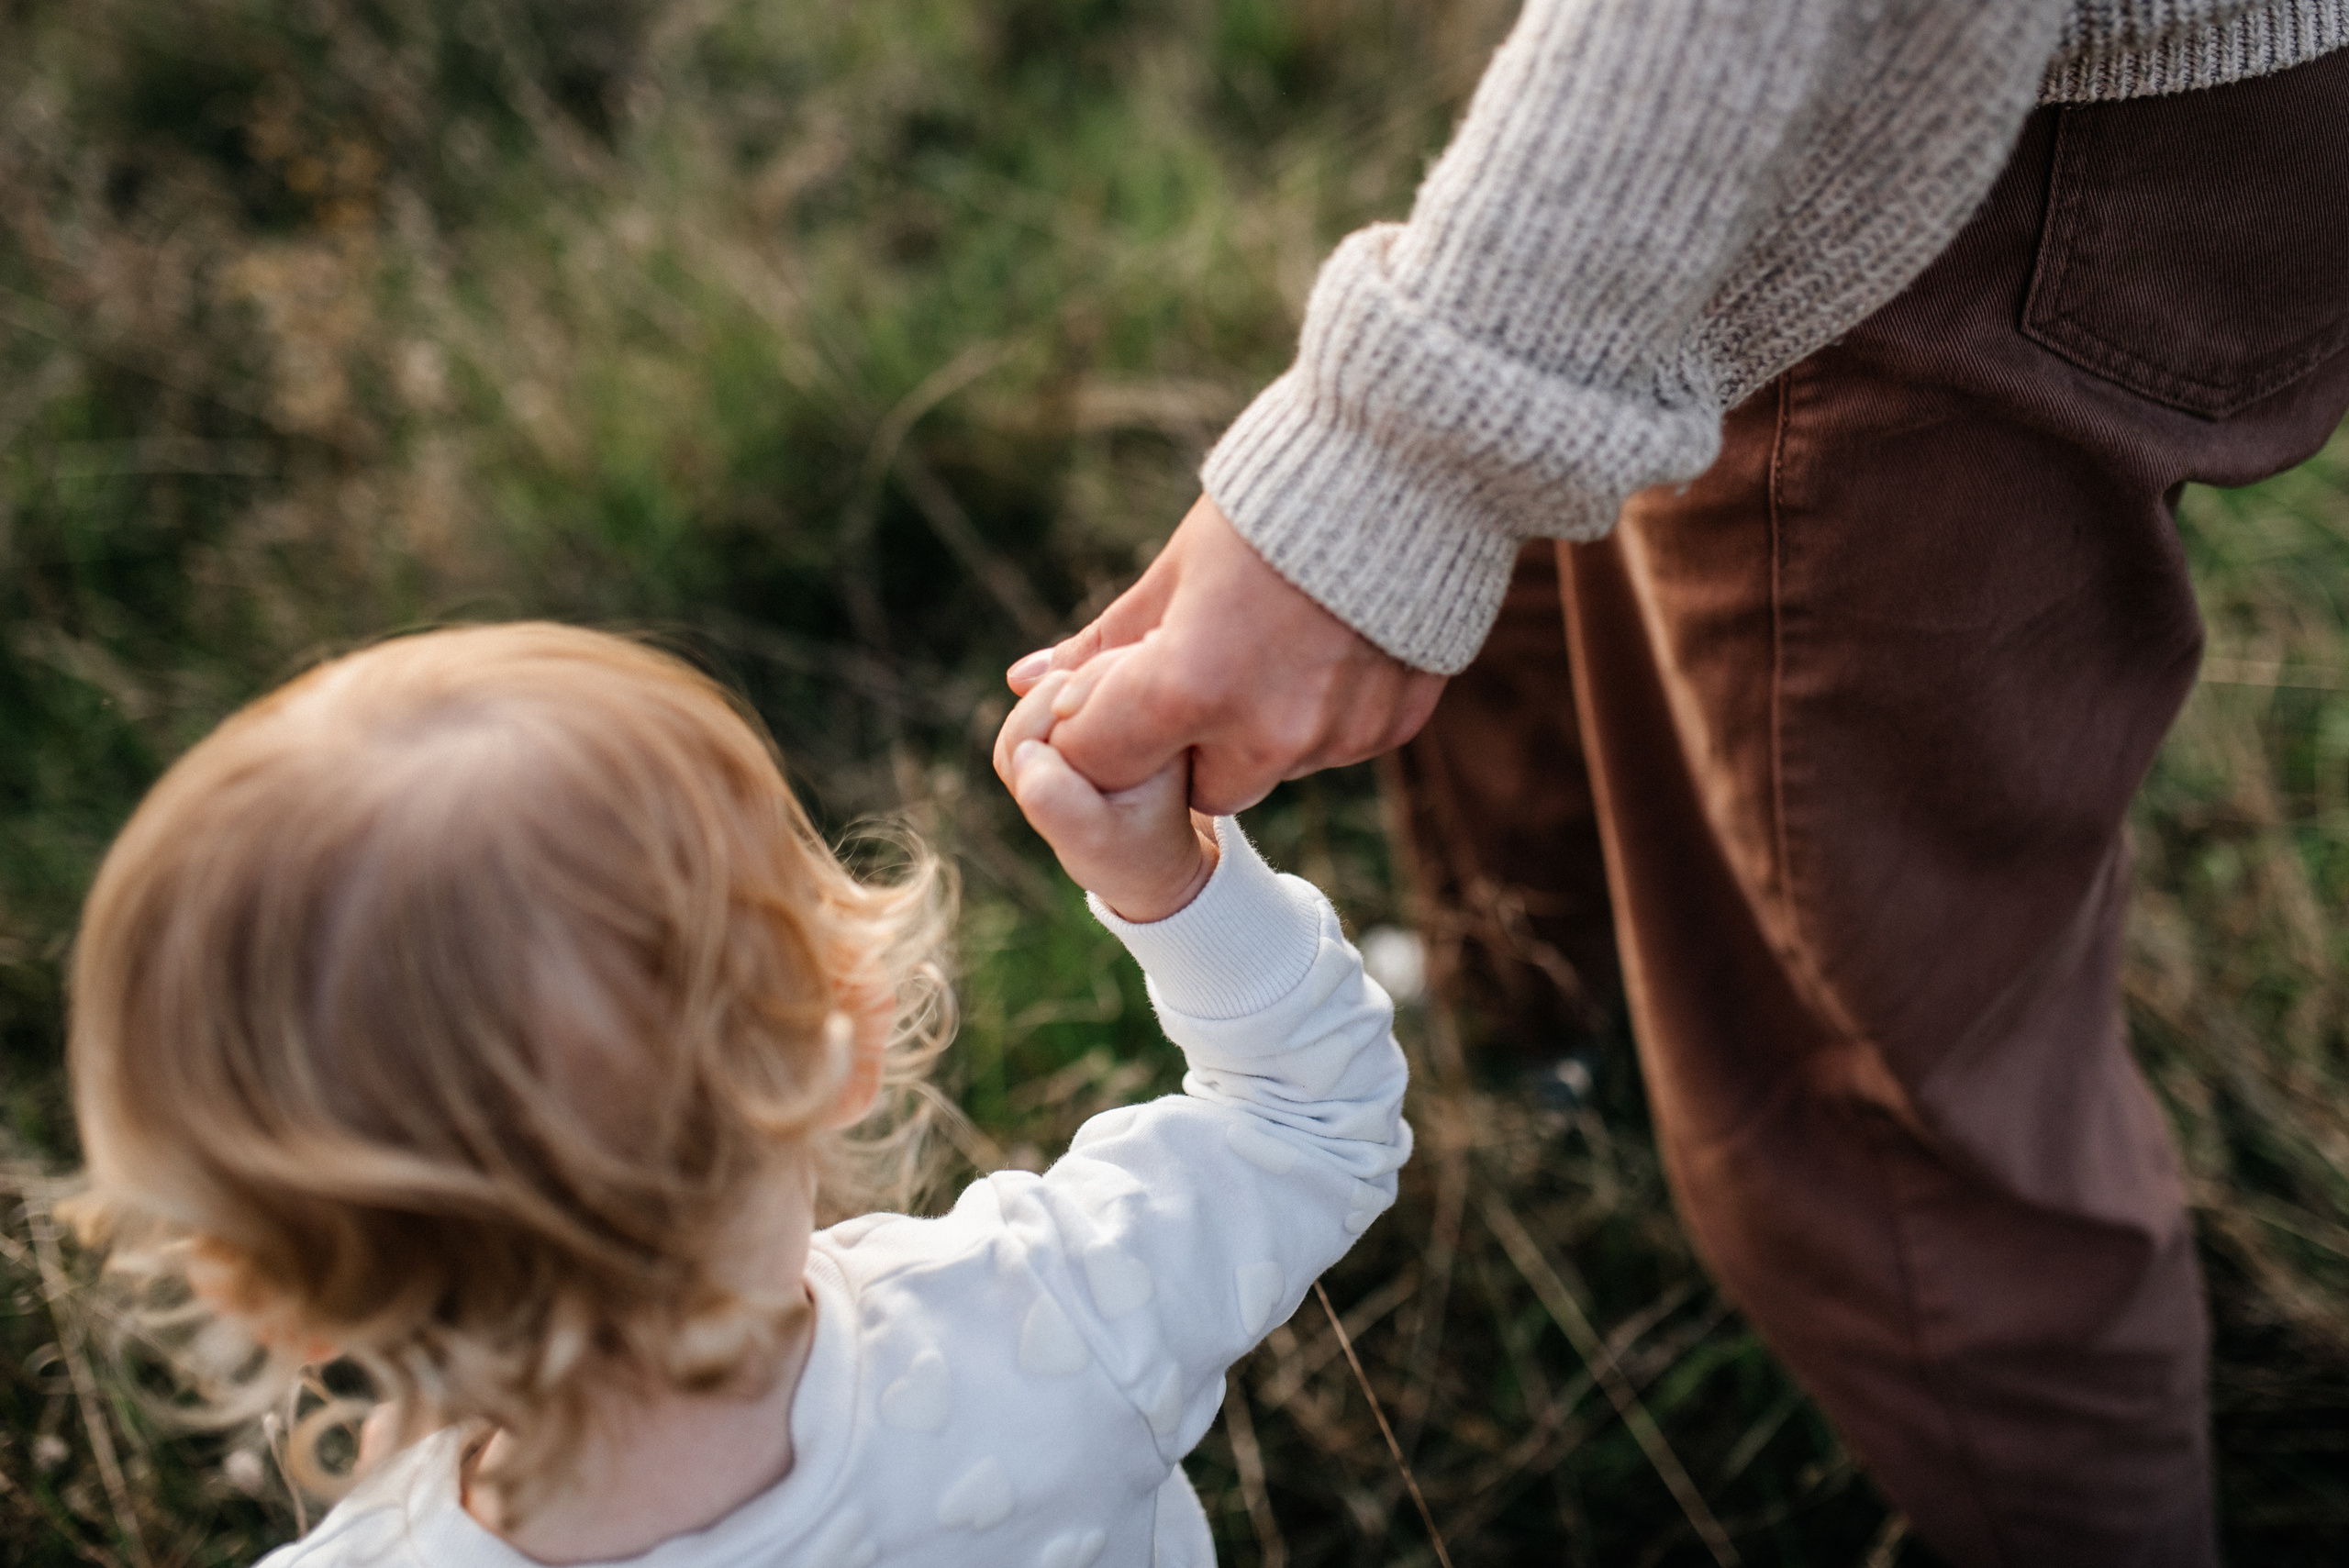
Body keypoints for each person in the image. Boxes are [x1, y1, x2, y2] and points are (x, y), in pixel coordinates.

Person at [1015, 2, 2349, 1563]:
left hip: (1941, 131)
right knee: (1591, 567)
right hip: (1745, 90)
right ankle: (1546, 1025)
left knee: (1886, 1077)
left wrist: (1407, 457)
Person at [65, 622, 1410, 1567]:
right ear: (847, 1029)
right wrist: (1166, 880)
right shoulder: (1045, 1318)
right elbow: (1307, 1116)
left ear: (271, 1287)